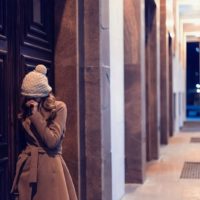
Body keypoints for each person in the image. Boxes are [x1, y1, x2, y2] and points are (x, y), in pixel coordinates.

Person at [11, 64, 78, 200]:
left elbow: (52, 141)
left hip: (50, 168)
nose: (30, 99)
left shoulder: (59, 108)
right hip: (28, 168)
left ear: (43, 94)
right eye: (27, 95)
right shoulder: (26, 108)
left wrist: (36, 115)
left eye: (34, 96)